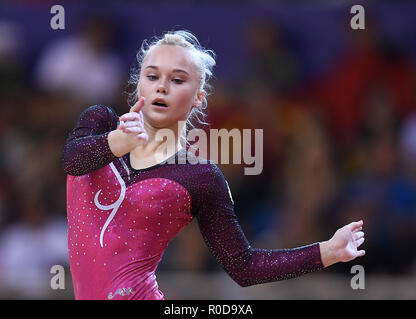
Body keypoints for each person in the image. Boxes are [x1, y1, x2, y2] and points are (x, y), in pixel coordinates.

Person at [62, 30, 365, 300]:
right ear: (139, 84)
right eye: (152, 76)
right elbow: (73, 161)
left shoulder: (200, 177)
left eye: (177, 79)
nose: (162, 87)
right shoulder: (99, 122)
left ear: (197, 97)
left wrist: (329, 251)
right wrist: (120, 142)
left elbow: (244, 267)